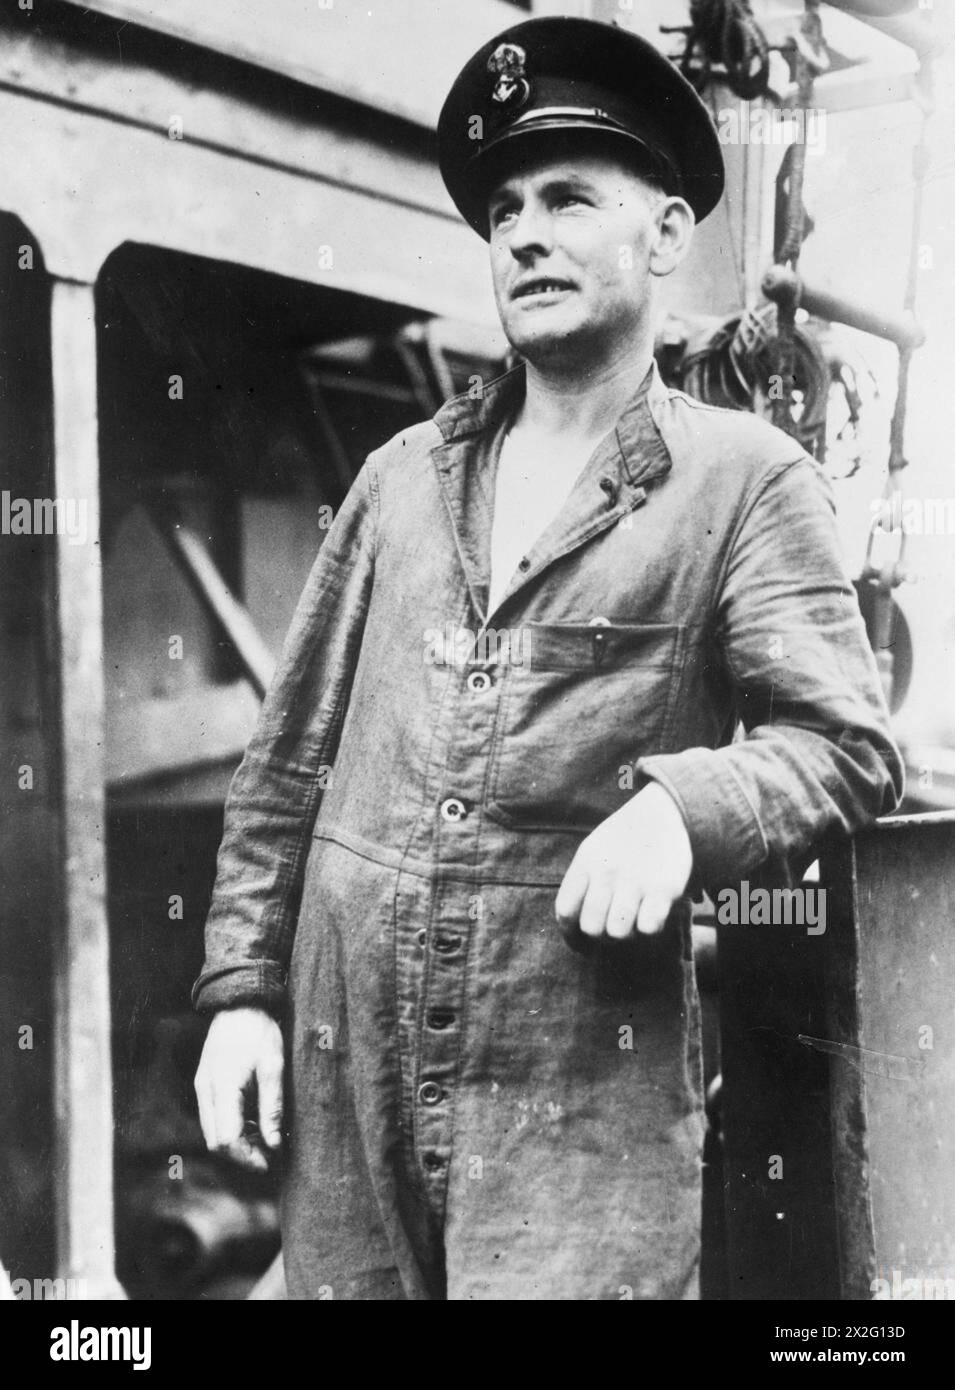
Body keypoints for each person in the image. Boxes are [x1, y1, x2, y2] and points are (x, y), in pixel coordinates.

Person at [192, 16, 903, 1300]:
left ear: (669, 235)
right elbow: (285, 764)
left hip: (574, 1117)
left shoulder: (743, 484)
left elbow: (844, 746)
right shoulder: (396, 484)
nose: (523, 230)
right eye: (506, 206)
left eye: (570, 197)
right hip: (346, 1105)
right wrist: (241, 990)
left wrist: (687, 811)